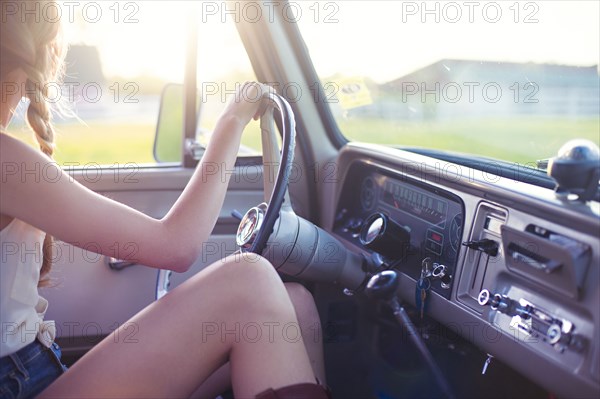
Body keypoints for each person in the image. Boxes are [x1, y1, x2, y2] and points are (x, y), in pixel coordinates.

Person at [0, 1, 328, 398]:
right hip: (19, 382)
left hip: (32, 373)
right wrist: (232, 121)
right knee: (250, 281)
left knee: (294, 306)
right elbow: (175, 245)